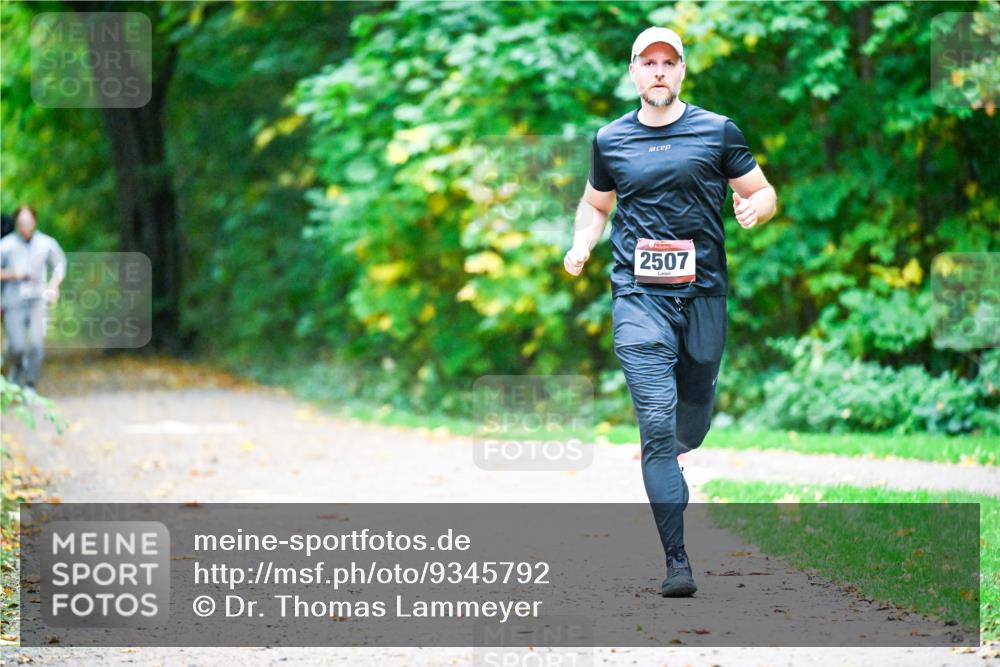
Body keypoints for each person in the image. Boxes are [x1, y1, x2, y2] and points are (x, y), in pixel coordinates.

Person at [563, 27, 777, 597]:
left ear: (681, 71)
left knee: (693, 418)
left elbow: (763, 191)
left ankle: (679, 446)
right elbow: (594, 203)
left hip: (704, 294)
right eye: (647, 62)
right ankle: (677, 561)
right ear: (633, 71)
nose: (658, 71)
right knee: (656, 425)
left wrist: (756, 207)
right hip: (638, 297)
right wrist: (583, 243)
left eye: (669, 62)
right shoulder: (610, 140)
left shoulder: (716, 130)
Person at [0, 205, 67, 390]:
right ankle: (18, 367)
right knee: (16, 346)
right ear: (16, 223)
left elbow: (60, 264)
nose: (25, 226)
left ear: (35, 221)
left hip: (38, 300)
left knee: (37, 344)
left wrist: (54, 284)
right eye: (21, 223)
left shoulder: (47, 243)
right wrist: (14, 274)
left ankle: (30, 383)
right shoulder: (5, 245)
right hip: (13, 301)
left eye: (28, 222)